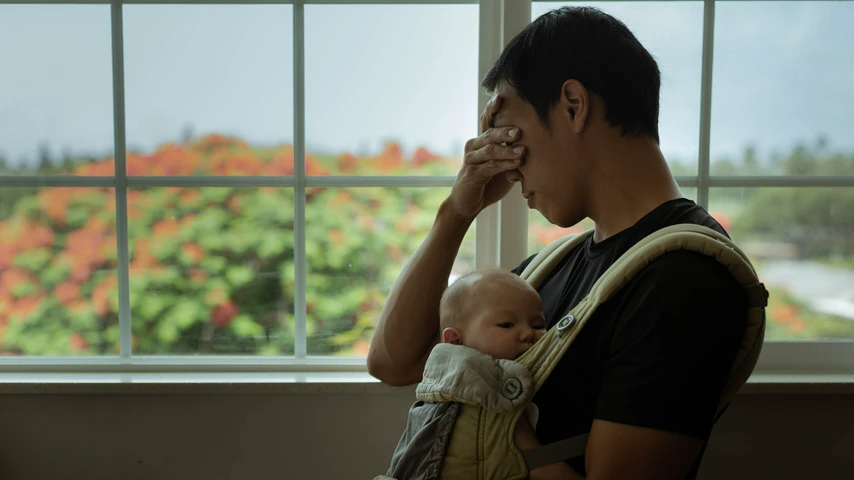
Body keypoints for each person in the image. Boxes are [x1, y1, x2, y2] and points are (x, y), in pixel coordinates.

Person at [368, 6, 748, 480]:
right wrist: (456, 213)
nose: (508, 159)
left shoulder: (683, 275)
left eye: (510, 131)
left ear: (573, 105)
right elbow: (393, 362)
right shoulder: (552, 267)